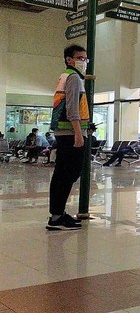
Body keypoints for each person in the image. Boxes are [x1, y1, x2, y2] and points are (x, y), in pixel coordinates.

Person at [47, 44, 90, 230]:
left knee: (61, 174)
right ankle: (57, 217)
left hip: (64, 133)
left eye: (85, 59)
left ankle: (57, 214)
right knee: (69, 174)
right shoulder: (73, 78)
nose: (84, 62)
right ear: (69, 60)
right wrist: (78, 134)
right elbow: (72, 108)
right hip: (70, 133)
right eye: (80, 58)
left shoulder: (64, 76)